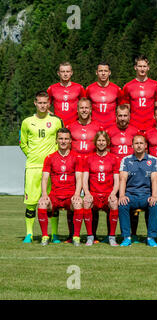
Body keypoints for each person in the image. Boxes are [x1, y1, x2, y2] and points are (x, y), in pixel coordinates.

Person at [20, 91, 63, 244]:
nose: (42, 105)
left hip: (52, 169)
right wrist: (31, 155)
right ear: (35, 103)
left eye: (45, 102)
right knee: (31, 202)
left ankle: (55, 234)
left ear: (49, 104)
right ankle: (29, 233)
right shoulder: (27, 122)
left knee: (52, 202)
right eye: (40, 102)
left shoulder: (57, 121)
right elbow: (23, 143)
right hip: (33, 167)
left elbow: (61, 140)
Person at [118, 134, 157, 247]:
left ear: (146, 145)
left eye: (141, 143)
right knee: (122, 204)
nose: (139, 146)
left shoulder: (153, 160)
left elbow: (154, 180)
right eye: (136, 143)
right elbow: (122, 179)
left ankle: (151, 237)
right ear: (132, 145)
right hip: (131, 195)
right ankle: (127, 237)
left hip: (146, 196)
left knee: (154, 204)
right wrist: (122, 195)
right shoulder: (126, 160)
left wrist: (154, 196)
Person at [37, 128, 84, 246]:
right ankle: (44, 236)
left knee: (78, 203)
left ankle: (76, 237)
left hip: (70, 196)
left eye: (66, 139)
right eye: (61, 138)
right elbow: (44, 178)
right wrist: (44, 195)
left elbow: (79, 178)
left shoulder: (77, 157)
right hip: (55, 196)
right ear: (56, 140)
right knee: (42, 203)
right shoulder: (49, 158)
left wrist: (77, 194)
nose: (63, 141)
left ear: (70, 141)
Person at [106, 104, 140, 241]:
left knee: (132, 205)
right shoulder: (109, 131)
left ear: (129, 116)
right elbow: (106, 154)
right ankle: (111, 234)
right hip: (114, 175)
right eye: (120, 115)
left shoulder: (135, 131)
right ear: (116, 116)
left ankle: (134, 234)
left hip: (131, 175)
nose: (122, 118)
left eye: (125, 115)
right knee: (112, 203)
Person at [82, 131, 120, 246]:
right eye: (99, 140)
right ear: (95, 142)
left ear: (107, 142)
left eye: (103, 140)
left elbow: (117, 180)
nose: (101, 143)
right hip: (94, 193)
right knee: (86, 203)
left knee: (114, 203)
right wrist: (87, 193)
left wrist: (113, 193)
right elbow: (85, 179)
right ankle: (90, 236)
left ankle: (112, 237)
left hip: (108, 193)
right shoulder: (89, 158)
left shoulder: (113, 159)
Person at [122, 55, 157, 132]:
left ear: (148, 67)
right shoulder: (128, 86)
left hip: (151, 126)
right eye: (140, 66)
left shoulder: (155, 85)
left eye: (144, 66)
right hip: (133, 126)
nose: (142, 69)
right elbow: (126, 109)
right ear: (135, 67)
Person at [47, 62, 86, 126]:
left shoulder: (79, 87)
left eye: (67, 71)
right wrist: (52, 116)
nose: (65, 74)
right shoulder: (52, 88)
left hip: (75, 124)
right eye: (62, 71)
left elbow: (86, 105)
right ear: (58, 73)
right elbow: (45, 106)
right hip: (58, 124)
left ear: (71, 73)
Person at [86, 62, 123, 129]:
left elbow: (122, 108)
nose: (103, 73)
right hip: (94, 127)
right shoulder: (89, 89)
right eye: (100, 71)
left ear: (109, 72)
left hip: (112, 127)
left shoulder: (117, 89)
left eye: (105, 71)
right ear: (96, 72)